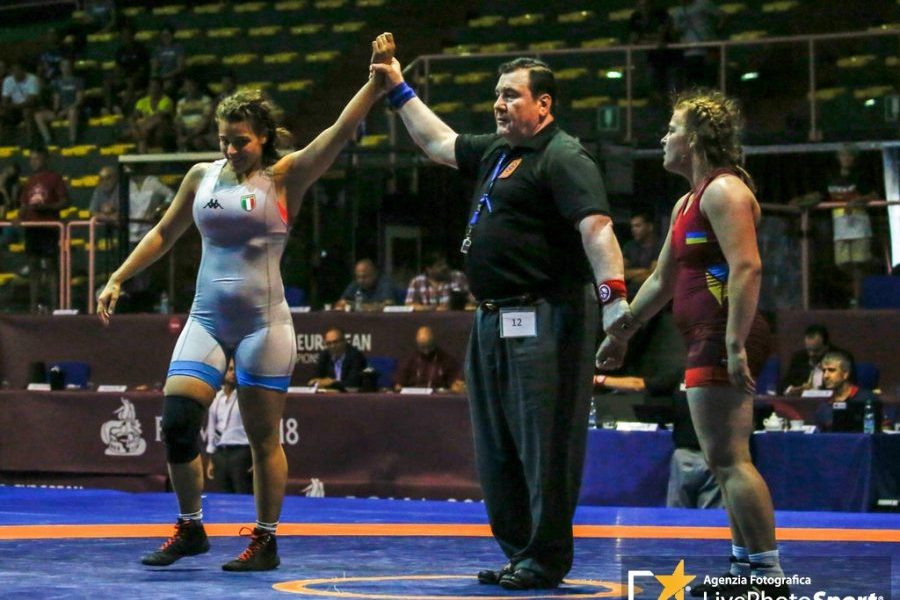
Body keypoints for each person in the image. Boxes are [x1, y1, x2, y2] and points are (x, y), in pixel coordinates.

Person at [96, 43, 388, 570]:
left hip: (263, 325)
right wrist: (118, 275)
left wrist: (373, 83)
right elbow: (163, 233)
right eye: (224, 141)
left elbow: (339, 131)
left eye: (241, 142)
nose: (231, 150)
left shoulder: (285, 176)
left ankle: (265, 540)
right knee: (178, 421)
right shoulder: (201, 177)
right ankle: (191, 528)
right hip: (206, 319)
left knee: (261, 437)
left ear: (264, 138)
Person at [371, 33, 630, 590]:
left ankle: (545, 556)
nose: (499, 104)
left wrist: (615, 305)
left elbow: (597, 229)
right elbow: (438, 143)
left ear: (544, 104)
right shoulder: (498, 152)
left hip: (547, 318)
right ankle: (521, 552)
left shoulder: (563, 156)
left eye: (511, 95)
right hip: (492, 318)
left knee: (545, 444)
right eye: (497, 94)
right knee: (497, 446)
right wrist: (397, 88)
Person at [597, 89, 787, 596]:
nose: (664, 138)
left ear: (696, 139)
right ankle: (746, 570)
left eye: (672, 129)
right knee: (721, 460)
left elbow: (747, 267)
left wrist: (735, 342)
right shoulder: (687, 202)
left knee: (731, 458)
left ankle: (768, 576)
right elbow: (661, 280)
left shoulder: (725, 192)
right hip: (708, 337)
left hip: (722, 335)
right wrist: (619, 334)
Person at [825, 144, 877, 307]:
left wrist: (856, 201)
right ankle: (855, 290)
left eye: (849, 155)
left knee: (859, 262)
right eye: (843, 155)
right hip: (840, 224)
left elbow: (873, 194)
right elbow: (823, 195)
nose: (846, 158)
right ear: (838, 158)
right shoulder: (832, 177)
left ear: (854, 158)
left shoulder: (861, 176)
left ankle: (858, 298)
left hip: (858, 223)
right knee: (842, 263)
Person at [18, 148, 69, 312]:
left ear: (45, 159)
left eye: (36, 158)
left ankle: (55, 305)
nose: (33, 162)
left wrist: (46, 208)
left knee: (51, 265)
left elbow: (65, 202)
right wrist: (19, 216)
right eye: (31, 159)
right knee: (33, 267)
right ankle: (34, 307)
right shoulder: (29, 181)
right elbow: (24, 205)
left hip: (49, 227)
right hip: (32, 228)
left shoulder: (54, 178)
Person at [205, 359, 253, 493]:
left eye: (236, 370)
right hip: (220, 454)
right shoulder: (216, 398)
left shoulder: (246, 398)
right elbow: (211, 428)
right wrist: (211, 458)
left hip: (241, 453)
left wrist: (256, 458)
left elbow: (255, 428)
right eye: (230, 369)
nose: (234, 373)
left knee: (243, 495)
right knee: (223, 497)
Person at [813, 350, 883, 431]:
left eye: (831, 370)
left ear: (845, 374)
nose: (825, 376)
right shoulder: (823, 406)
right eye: (824, 371)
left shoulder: (867, 399)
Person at [781, 324, 853, 395]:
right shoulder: (799, 358)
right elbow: (784, 384)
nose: (811, 354)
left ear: (826, 346)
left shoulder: (841, 358)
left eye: (816, 350)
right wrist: (791, 390)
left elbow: (849, 388)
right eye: (809, 350)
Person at [628, 0, 679, 99]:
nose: (644, 8)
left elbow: (661, 38)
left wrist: (647, 40)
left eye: (646, 4)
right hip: (651, 59)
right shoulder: (635, 17)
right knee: (654, 88)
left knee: (673, 90)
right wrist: (650, 42)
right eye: (641, 5)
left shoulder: (661, 14)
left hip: (669, 57)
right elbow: (633, 40)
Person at [671, 0, 723, 88]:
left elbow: (722, 16)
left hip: (708, 49)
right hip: (689, 52)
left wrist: (714, 32)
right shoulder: (677, 11)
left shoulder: (704, 4)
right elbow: (675, 31)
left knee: (710, 81)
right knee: (693, 82)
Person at [395, 325, 464, 392]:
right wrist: (398, 387)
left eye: (429, 346)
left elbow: (455, 384)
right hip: (412, 397)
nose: (426, 351)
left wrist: (456, 386)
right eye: (422, 347)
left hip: (437, 397)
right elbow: (399, 385)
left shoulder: (447, 360)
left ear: (434, 342)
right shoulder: (409, 360)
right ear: (417, 344)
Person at [34, 58, 84, 147]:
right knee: (38, 115)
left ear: (71, 67)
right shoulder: (57, 82)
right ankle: (48, 140)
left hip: (73, 109)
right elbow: (56, 98)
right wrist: (56, 111)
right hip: (61, 110)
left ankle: (72, 140)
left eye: (67, 66)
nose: (66, 68)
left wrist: (65, 110)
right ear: (60, 68)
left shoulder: (78, 81)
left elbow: (79, 101)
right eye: (63, 66)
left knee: (72, 112)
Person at [103, 23, 149, 116]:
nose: (126, 37)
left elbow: (143, 70)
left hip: (137, 79)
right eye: (123, 35)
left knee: (130, 82)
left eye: (128, 35)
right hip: (124, 77)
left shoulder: (140, 49)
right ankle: (110, 108)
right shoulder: (120, 51)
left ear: (132, 35)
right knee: (107, 82)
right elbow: (117, 68)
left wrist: (131, 77)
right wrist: (119, 76)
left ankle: (123, 109)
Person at [404, 251, 473, 310]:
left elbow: (471, 302)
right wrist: (433, 309)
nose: (444, 267)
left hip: (455, 319)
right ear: (428, 269)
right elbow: (409, 305)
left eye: (445, 263)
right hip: (427, 320)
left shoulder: (458, 277)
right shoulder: (417, 282)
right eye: (439, 265)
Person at [1, 62, 45, 146]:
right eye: (13, 71)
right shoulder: (8, 81)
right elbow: (4, 101)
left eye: (18, 70)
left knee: (26, 112)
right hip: (14, 108)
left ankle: (31, 142)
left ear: (23, 71)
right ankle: (3, 143)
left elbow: (31, 101)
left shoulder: (32, 79)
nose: (16, 73)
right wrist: (10, 107)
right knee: (2, 113)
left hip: (31, 108)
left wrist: (13, 105)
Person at [333, 258, 400, 311]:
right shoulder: (355, 284)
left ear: (375, 274)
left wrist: (356, 306)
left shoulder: (385, 283)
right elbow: (341, 303)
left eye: (365, 277)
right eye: (358, 277)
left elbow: (388, 306)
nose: (361, 280)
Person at [130, 76, 176, 154]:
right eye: (151, 87)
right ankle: (143, 159)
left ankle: (143, 132)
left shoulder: (166, 101)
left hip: (164, 130)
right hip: (146, 132)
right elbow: (133, 118)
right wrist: (135, 129)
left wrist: (142, 125)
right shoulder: (142, 101)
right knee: (142, 137)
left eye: (156, 87)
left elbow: (159, 117)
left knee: (158, 120)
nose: (153, 89)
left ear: (161, 89)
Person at [622, 211, 662, 299]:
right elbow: (621, 273)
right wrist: (643, 271)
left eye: (638, 226)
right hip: (630, 294)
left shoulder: (659, 246)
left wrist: (632, 275)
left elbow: (654, 276)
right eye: (632, 226)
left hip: (652, 294)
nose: (633, 229)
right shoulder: (629, 246)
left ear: (649, 227)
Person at [175, 75, 214, 151]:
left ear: (196, 86)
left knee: (197, 142)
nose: (189, 88)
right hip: (186, 132)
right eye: (187, 86)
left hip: (199, 134)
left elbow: (205, 122)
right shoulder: (181, 103)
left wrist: (190, 136)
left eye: (191, 86)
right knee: (179, 141)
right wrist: (180, 136)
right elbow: (178, 122)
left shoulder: (206, 101)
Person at [150, 25, 185, 98]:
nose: (166, 37)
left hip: (174, 76)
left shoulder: (178, 47)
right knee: (152, 86)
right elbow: (154, 67)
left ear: (172, 35)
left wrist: (166, 76)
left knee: (167, 86)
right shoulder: (158, 49)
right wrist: (156, 77)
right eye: (163, 35)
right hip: (160, 77)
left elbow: (180, 68)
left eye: (168, 35)